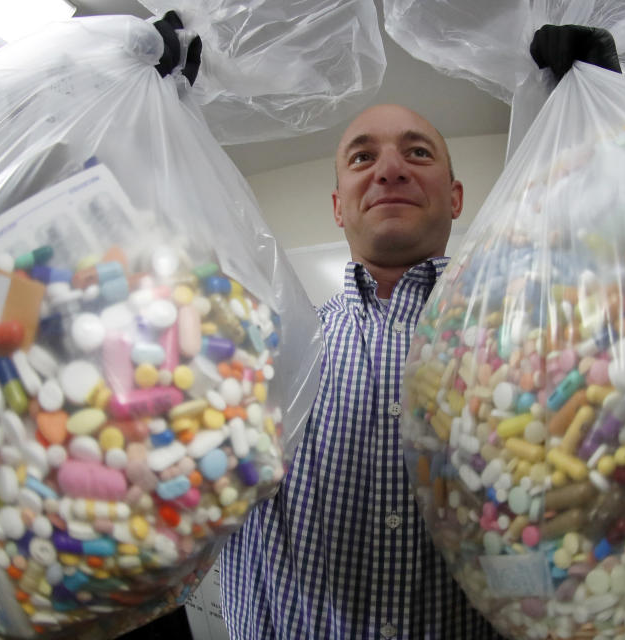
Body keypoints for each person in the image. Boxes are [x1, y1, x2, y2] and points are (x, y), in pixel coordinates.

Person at [220, 104, 501, 639]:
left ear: (456, 197)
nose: (389, 169)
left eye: (417, 153)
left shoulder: (522, 347)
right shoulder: (259, 350)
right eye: (363, 157)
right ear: (337, 207)